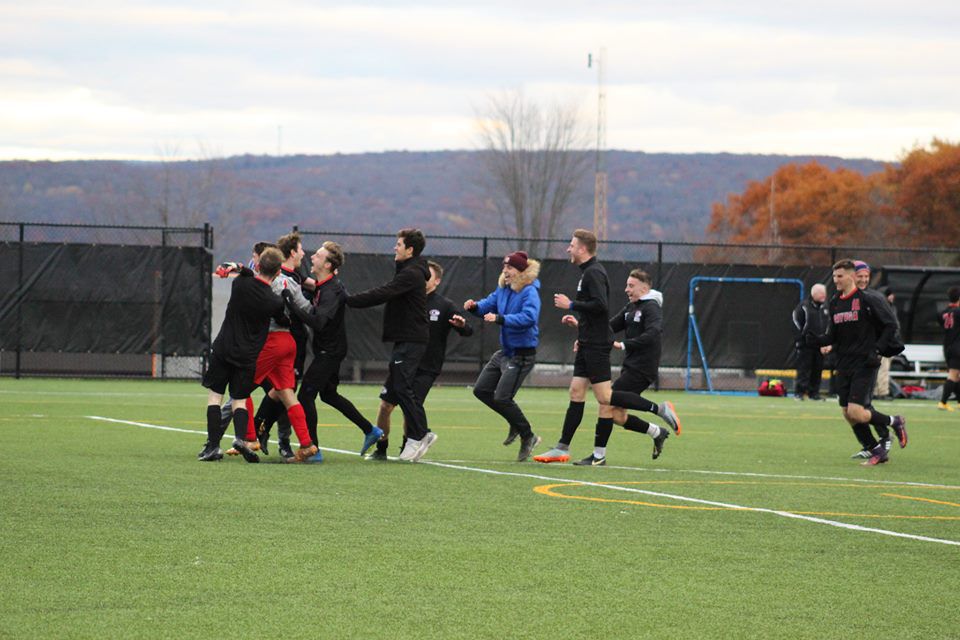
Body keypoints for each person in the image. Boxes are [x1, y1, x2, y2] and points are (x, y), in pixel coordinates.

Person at [535, 229, 678, 465]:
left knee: (606, 399)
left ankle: (658, 410)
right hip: (589, 343)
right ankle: (562, 447)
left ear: (582, 248)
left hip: (600, 349)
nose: (568, 249)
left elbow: (600, 306)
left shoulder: (594, 273)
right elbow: (605, 321)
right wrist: (580, 328)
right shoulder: (589, 275)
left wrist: (571, 304)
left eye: (571, 245)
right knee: (577, 392)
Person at [281, 241, 383, 461]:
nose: (313, 257)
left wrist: (292, 306)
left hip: (330, 351)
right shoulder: (324, 284)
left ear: (327, 264)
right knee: (328, 395)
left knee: (305, 395)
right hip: (327, 349)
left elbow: (318, 323)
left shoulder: (331, 290)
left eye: (317, 255)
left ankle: (313, 451)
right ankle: (370, 430)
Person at [346, 228, 436, 462]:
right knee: (395, 392)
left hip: (411, 339)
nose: (394, 248)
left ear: (410, 249)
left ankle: (419, 435)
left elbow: (382, 293)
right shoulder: (409, 271)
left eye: (398, 244)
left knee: (404, 389)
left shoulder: (412, 273)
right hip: (405, 339)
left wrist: (349, 300)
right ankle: (417, 436)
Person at [369, 260, 473, 460]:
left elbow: (468, 331)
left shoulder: (445, 305)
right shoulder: (408, 301)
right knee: (385, 406)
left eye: (428, 276)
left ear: (437, 281)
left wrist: (462, 325)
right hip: (403, 362)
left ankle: (408, 446)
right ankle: (381, 448)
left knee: (411, 405)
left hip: (426, 367)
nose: (423, 280)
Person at [810, 259, 908, 466]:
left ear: (851, 276)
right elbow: (833, 335)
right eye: (834, 276)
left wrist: (877, 350)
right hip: (844, 363)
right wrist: (817, 340)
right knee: (847, 413)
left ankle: (894, 422)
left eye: (839, 276)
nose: (835, 280)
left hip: (865, 362)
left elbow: (890, 325)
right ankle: (875, 449)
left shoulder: (867, 299)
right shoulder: (836, 301)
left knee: (856, 411)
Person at [197, 247, 287, 462]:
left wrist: (237, 267)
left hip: (224, 348)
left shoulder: (240, 284)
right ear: (277, 273)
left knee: (215, 397)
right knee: (239, 400)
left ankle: (213, 446)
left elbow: (247, 274)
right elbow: (283, 320)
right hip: (247, 356)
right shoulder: (274, 301)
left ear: (257, 265)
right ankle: (240, 439)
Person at [463, 251, 542, 462]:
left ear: (521, 271)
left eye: (510, 268)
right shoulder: (504, 289)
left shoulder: (529, 292)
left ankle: (528, 435)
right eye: (504, 267)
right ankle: (516, 424)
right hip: (505, 352)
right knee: (481, 390)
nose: (505, 271)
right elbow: (487, 304)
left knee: (502, 397)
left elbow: (529, 317)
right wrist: (474, 307)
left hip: (521, 355)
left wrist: (500, 318)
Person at [791, 283, 829, 401]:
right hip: (806, 345)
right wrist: (803, 338)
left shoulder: (825, 308)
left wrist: (826, 342)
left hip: (820, 345)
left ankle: (814, 393)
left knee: (817, 370)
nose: (824, 295)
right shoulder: (804, 306)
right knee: (804, 369)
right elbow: (796, 321)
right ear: (814, 294)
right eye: (821, 293)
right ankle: (800, 392)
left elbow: (828, 325)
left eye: (825, 293)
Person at [938, 286, 960, 411]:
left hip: (948, 347)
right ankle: (943, 402)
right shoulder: (958, 312)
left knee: (956, 376)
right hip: (958, 347)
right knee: (953, 375)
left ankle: (959, 401)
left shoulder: (942, 313)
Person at [873, 286, 897, 399]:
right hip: (883, 343)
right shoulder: (883, 308)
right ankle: (881, 392)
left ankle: (879, 391)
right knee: (882, 369)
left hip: (888, 343)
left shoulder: (890, 308)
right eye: (889, 294)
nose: (892, 297)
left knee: (883, 369)